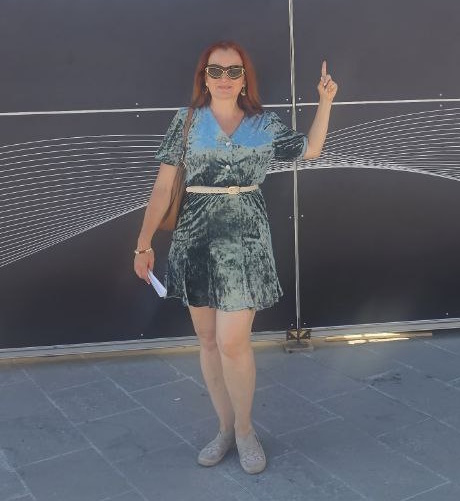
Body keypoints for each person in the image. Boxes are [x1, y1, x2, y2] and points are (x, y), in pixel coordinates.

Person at [133, 40, 337, 474]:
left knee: (232, 342)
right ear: (203, 77)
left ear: (245, 78)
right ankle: (224, 428)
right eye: (216, 70)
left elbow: (310, 150)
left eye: (233, 71)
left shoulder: (264, 124)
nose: (224, 78)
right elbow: (163, 188)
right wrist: (143, 244)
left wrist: (325, 102)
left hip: (246, 239)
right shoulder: (186, 121)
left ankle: (245, 431)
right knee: (208, 341)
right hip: (195, 239)